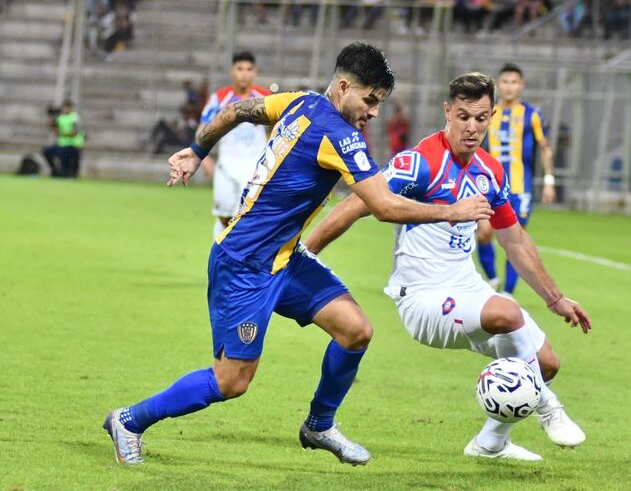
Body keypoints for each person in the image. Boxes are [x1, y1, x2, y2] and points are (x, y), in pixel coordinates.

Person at [102, 42, 493, 467]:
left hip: (284, 258)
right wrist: (451, 210)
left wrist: (197, 151)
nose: (375, 112)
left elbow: (239, 110)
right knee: (232, 381)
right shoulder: (340, 136)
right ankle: (129, 420)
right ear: (344, 87)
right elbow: (382, 206)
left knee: (356, 330)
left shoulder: (302, 101)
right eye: (370, 99)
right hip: (245, 265)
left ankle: (319, 425)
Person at [304, 72, 591, 461]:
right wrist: (303, 254)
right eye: (463, 117)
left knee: (545, 362)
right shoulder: (419, 163)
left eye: (481, 118)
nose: (472, 128)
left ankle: (490, 443)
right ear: (447, 112)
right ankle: (549, 407)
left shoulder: (491, 172)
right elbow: (356, 205)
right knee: (508, 312)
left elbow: (515, 239)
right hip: (422, 299)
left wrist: (555, 299)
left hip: (467, 289)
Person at [477, 64, 555, 295]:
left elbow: (545, 148)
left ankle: (508, 293)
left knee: (514, 241)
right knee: (483, 232)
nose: (510, 87)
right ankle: (492, 279)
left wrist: (549, 179)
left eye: (514, 82)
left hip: (520, 188)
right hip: (488, 185)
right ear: (498, 85)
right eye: (505, 82)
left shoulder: (532, 115)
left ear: (521, 86)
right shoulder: (488, 113)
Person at [198, 52, 272, 238]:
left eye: (249, 69)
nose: (244, 74)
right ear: (232, 71)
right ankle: (221, 251)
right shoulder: (220, 98)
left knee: (248, 217)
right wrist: (203, 157)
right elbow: (203, 128)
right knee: (224, 215)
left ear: (255, 73)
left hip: (255, 167)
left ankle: (240, 257)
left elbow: (277, 127)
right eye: (240, 69)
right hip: (226, 165)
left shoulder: (265, 97)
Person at [41, 101, 84, 178]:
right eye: (64, 107)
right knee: (46, 151)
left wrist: (61, 133)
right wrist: (51, 121)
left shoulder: (75, 117)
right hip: (62, 145)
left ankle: (65, 173)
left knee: (63, 153)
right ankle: (55, 171)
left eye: (67, 107)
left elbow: (74, 133)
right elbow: (54, 127)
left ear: (71, 108)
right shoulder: (61, 117)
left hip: (73, 145)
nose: (65, 109)